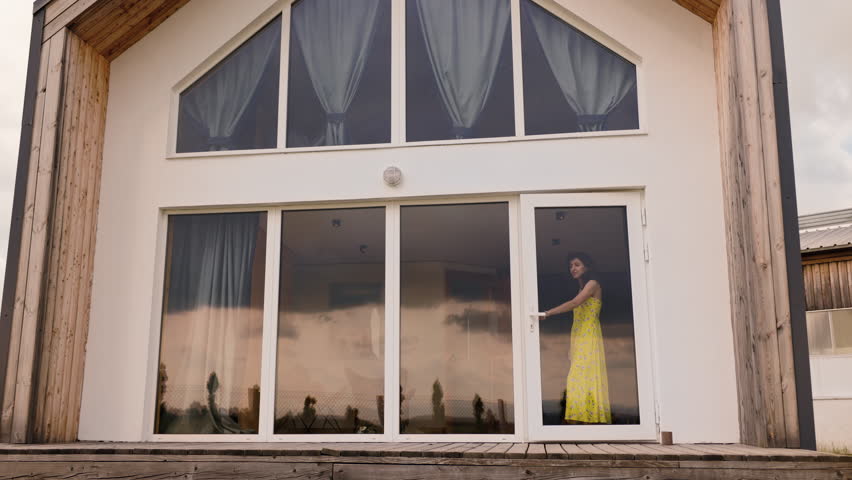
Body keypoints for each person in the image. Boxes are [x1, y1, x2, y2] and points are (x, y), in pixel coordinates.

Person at [540, 253, 611, 424]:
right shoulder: (581, 288)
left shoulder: (592, 284)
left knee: (583, 377)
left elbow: (574, 303)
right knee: (578, 378)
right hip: (579, 338)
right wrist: (572, 346)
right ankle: (582, 420)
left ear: (587, 266)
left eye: (577, 265)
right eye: (571, 266)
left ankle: (590, 421)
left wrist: (547, 313)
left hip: (589, 337)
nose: (573, 268)